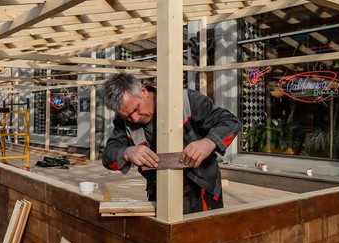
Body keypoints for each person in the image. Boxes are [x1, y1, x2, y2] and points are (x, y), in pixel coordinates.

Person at [101, 73, 241, 213]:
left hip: (201, 187)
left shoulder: (186, 100)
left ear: (143, 91)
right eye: (127, 116)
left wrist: (208, 142)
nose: (135, 118)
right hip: (160, 191)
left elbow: (230, 122)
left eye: (136, 109)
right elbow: (108, 156)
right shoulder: (124, 122)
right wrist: (126, 153)